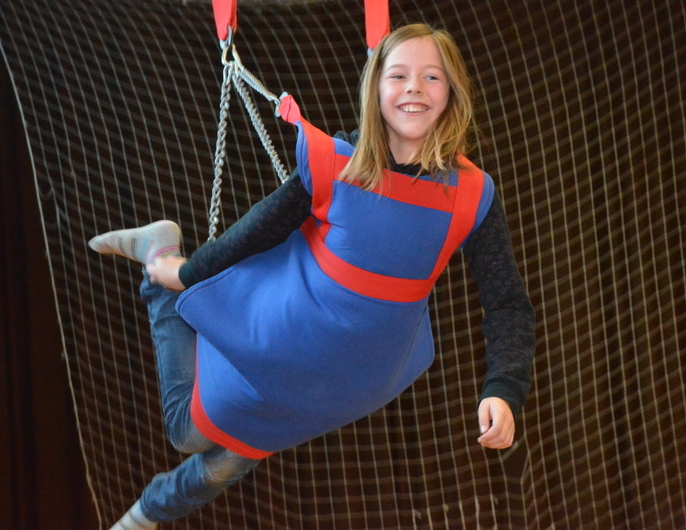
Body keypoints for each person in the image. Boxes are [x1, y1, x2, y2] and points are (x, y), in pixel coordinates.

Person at [89, 23, 535, 530]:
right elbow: (257, 229)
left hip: (346, 383)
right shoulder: (337, 162)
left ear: (452, 92)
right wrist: (184, 272)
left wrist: (503, 388)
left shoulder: (472, 194)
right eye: (399, 75)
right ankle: (159, 260)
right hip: (283, 343)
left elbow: (507, 303)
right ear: (375, 88)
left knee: (226, 453)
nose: (414, 87)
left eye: (432, 77)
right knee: (189, 434)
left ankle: (149, 512)